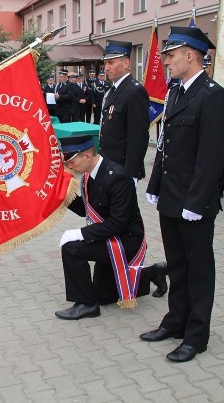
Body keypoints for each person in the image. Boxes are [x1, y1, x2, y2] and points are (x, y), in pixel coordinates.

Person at [143, 26, 224, 363]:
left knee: (198, 269)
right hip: (170, 196)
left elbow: (211, 157)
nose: (166, 61)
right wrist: (154, 186)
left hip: (194, 203)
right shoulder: (177, 92)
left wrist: (197, 202)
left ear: (190, 55)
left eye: (171, 54)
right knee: (177, 266)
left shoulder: (212, 96)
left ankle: (197, 335)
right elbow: (164, 147)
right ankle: (175, 321)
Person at [55, 135, 167, 321]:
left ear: (87, 156)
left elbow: (118, 223)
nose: (69, 166)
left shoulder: (118, 177)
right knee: (104, 296)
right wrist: (64, 197)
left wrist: (80, 233)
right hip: (109, 236)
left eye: (71, 161)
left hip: (126, 240)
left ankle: (86, 305)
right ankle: (153, 272)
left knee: (71, 248)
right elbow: (86, 210)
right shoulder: (90, 174)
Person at [99, 40, 150, 183]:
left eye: (111, 63)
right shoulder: (112, 91)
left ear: (126, 63)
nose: (106, 68)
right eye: (105, 63)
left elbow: (138, 137)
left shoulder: (134, 91)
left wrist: (131, 174)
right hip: (108, 164)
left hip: (122, 168)